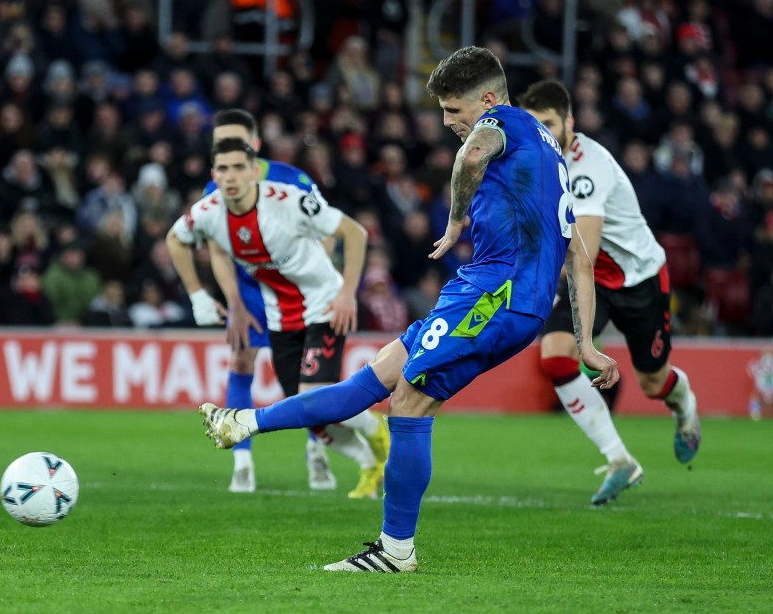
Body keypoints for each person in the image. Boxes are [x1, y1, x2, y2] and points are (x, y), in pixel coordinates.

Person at [199, 46, 619, 572]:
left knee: (409, 402)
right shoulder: (547, 149)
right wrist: (585, 343)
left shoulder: (501, 125)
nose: (447, 123)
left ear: (487, 100)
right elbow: (580, 256)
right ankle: (245, 422)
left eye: (453, 110)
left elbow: (471, 156)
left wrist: (455, 221)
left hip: (495, 298)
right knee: (375, 379)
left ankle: (396, 550)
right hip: (493, 296)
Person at [168, 135, 389, 499]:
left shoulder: (289, 203)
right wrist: (197, 295)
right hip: (280, 317)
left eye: (239, 167)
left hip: (324, 305)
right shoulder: (208, 212)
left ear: (254, 171)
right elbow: (174, 239)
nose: (231, 176)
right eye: (223, 169)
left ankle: (375, 428)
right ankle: (369, 462)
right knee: (308, 414)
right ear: (214, 174)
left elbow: (354, 232)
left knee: (312, 395)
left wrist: (347, 293)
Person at [518, 80, 701, 504]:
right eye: (535, 126)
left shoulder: (587, 165)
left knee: (654, 383)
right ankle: (619, 459)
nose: (543, 133)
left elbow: (585, 252)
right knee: (554, 354)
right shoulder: (536, 163)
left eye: (549, 123)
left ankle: (685, 401)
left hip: (637, 277)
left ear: (570, 122)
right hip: (591, 276)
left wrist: (585, 340)